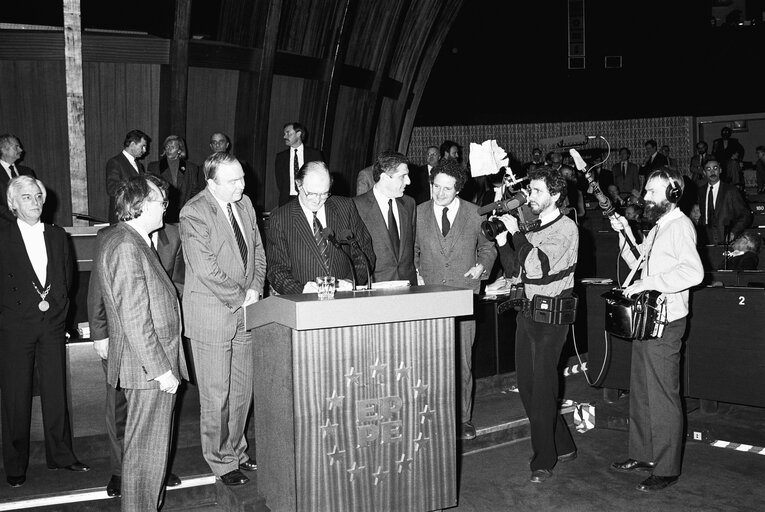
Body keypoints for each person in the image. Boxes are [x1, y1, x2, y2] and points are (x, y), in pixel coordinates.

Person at [94, 175, 188, 510]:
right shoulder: (126, 246)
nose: (166, 207)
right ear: (142, 204)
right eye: (162, 201)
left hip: (147, 368)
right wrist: (162, 370)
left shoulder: (130, 241)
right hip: (148, 370)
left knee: (149, 455)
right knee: (144, 457)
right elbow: (135, 317)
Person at [609, 169, 703, 492]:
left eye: (651, 192)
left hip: (667, 324)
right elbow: (640, 262)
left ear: (673, 195)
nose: (644, 196)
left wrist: (650, 283)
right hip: (647, 321)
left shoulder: (679, 226)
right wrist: (624, 235)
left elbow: (693, 272)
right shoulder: (659, 227)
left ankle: (666, 468)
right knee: (642, 390)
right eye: (645, 191)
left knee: (662, 395)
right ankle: (643, 453)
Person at [180, 152, 266, 486]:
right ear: (211, 182)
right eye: (233, 181)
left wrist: (256, 289)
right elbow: (205, 269)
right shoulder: (194, 212)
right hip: (213, 315)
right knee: (216, 396)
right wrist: (240, 296)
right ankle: (220, 461)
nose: (242, 186)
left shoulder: (245, 205)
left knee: (242, 392)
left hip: (246, 310)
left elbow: (258, 252)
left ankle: (238, 451)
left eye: (242, 177)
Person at [0, 176, 90, 488]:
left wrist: (61, 319)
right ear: (13, 203)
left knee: (56, 391)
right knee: (15, 396)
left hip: (51, 325)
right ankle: (15, 463)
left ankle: (61, 455)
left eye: (38, 196)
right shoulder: (2, 236)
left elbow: (68, 281)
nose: (35, 203)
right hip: (14, 327)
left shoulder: (57, 235)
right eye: (26, 197)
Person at [493, 167, 578, 484]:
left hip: (551, 318)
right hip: (526, 314)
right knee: (528, 389)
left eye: (537, 191)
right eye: (530, 191)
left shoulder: (566, 229)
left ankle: (544, 459)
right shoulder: (531, 228)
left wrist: (515, 234)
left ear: (555, 195)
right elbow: (517, 272)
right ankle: (564, 444)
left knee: (543, 389)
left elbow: (538, 268)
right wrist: (504, 240)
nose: (530, 197)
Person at [414, 160, 496, 441]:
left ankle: (463, 419)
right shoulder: (417, 213)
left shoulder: (476, 214)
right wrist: (416, 274)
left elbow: (488, 248)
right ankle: (431, 416)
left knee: (462, 361)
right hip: (428, 299)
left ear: (458, 188)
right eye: (436, 187)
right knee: (428, 361)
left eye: (446, 189)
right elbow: (411, 251)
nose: (439, 193)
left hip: (464, 296)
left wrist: (481, 267)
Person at [267, 161, 375, 294]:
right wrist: (301, 290)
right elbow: (276, 270)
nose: (318, 200)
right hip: (304, 303)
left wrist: (351, 281)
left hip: (345, 298)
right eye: (312, 194)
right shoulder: (280, 218)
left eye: (324, 193)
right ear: (298, 184)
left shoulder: (345, 207)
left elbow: (365, 253)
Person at [353, 151, 417, 285]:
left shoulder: (409, 204)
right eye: (403, 176)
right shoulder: (356, 206)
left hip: (408, 287)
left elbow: (412, 245)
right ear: (384, 177)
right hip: (374, 289)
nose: (409, 181)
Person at [147, 135, 204, 223]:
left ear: (179, 150)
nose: (169, 149)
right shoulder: (154, 167)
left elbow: (195, 192)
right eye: (167, 146)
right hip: (162, 213)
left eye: (173, 147)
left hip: (184, 214)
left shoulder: (191, 168)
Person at [697, 159, 752, 245]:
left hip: (727, 241)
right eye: (708, 169)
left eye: (715, 168)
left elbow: (745, 215)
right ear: (704, 172)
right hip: (706, 241)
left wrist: (733, 232)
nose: (712, 172)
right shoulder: (700, 192)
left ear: (720, 170)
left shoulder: (731, 191)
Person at [274, 122, 323, 207]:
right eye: (284, 133)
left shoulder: (314, 155)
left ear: (298, 134)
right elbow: (280, 182)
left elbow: (321, 177)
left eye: (288, 133)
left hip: (310, 199)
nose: (284, 136)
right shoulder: (280, 157)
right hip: (287, 201)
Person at [106, 130, 150, 223]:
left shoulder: (139, 165)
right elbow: (112, 189)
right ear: (133, 144)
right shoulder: (115, 162)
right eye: (143, 146)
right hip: (122, 217)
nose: (145, 150)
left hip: (136, 217)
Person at [0, 134, 37, 223]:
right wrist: (19, 220)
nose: (21, 150)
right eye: (16, 147)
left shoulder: (27, 172)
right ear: (4, 150)